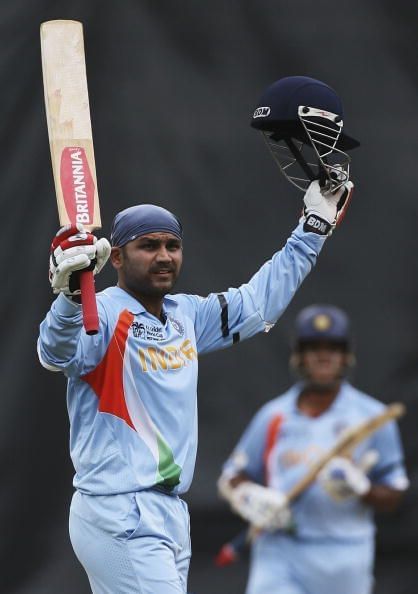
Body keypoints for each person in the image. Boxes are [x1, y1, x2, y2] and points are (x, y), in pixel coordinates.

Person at [37, 74, 355, 594]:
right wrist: (69, 298)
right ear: (116, 257)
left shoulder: (186, 315)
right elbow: (59, 354)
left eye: (172, 245)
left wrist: (312, 228)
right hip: (120, 509)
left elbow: (256, 305)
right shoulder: (104, 310)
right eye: (148, 245)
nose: (164, 255)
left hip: (167, 513)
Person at [218, 304, 409, 594]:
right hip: (280, 550)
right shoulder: (273, 416)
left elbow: (394, 495)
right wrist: (249, 496)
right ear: (299, 356)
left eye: (333, 347)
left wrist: (362, 489)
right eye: (313, 347)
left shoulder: (373, 417)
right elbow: (233, 474)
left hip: (346, 558)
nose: (323, 356)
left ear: (346, 356)